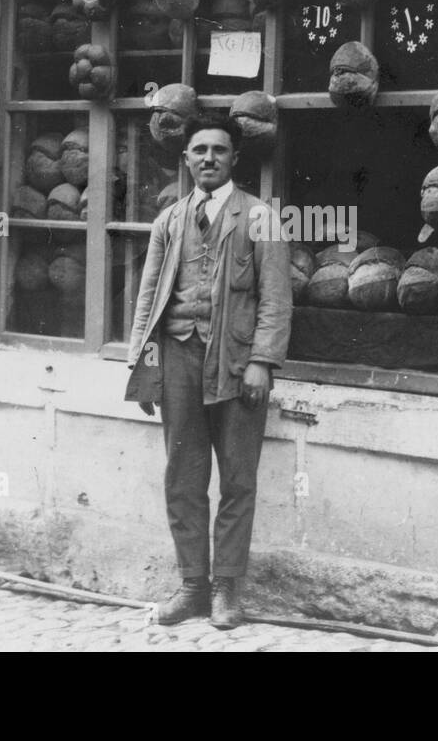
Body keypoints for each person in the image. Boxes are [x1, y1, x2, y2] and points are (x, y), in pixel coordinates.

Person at [125, 110, 292, 628]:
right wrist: (144, 364)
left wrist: (263, 362)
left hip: (239, 365)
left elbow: (276, 299)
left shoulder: (260, 217)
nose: (208, 159)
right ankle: (192, 586)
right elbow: (149, 299)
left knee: (238, 480)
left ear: (235, 158)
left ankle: (226, 591)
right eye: (199, 150)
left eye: (219, 150)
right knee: (183, 477)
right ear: (186, 159)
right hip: (177, 358)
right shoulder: (169, 221)